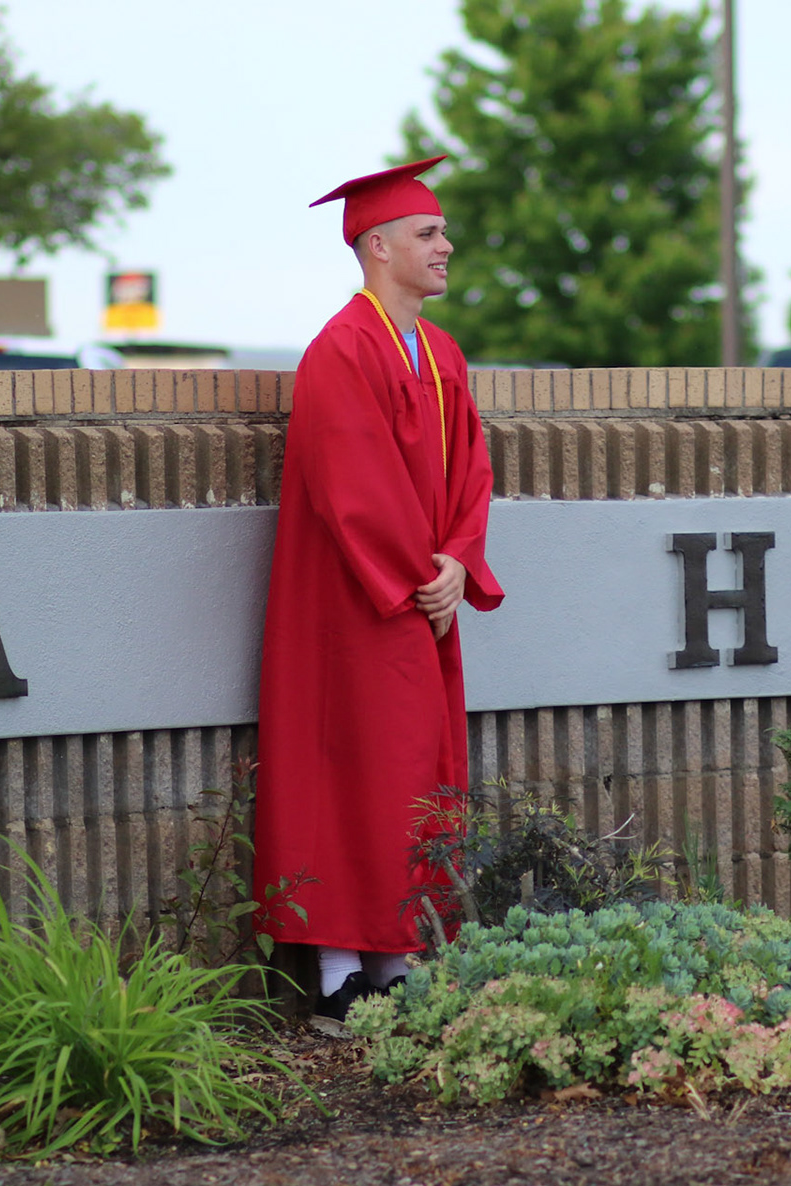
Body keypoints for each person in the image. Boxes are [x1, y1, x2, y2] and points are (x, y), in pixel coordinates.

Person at [252, 156, 505, 1022]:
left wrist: (459, 560)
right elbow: (351, 485)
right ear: (377, 246)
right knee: (347, 772)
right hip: (354, 601)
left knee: (411, 773)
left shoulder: (441, 353)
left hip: (421, 594)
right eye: (428, 233)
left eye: (443, 232)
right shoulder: (340, 350)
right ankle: (335, 974)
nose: (446, 246)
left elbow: (473, 470)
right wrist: (421, 576)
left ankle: (395, 958)